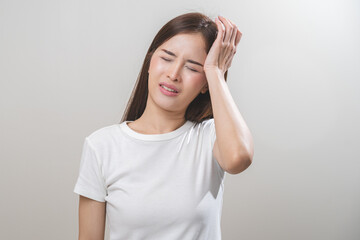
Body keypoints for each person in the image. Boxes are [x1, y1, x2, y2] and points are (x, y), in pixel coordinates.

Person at [73, 12, 254, 240]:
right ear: (149, 62)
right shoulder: (101, 146)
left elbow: (239, 158)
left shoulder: (210, 137)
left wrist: (216, 72)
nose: (173, 74)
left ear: (204, 85)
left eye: (193, 68)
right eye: (167, 58)